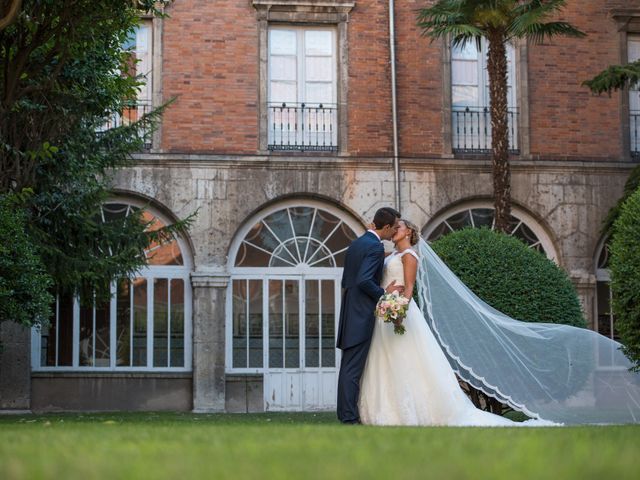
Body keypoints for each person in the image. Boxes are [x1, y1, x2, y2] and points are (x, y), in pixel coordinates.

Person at [358, 220, 640, 426]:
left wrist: (397, 305)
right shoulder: (390, 254)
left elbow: (408, 288)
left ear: (408, 232)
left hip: (401, 312)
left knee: (409, 360)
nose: (395, 228)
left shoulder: (409, 256)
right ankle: (386, 410)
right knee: (387, 360)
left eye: (400, 226)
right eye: (394, 226)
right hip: (386, 311)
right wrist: (385, 298)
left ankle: (416, 412)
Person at [336, 206, 402, 424]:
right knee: (352, 370)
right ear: (386, 227)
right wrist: (385, 293)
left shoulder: (358, 243)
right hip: (361, 314)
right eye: (394, 229)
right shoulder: (374, 247)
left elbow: (349, 280)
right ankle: (349, 418)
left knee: (348, 367)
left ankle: (346, 414)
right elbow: (365, 280)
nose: (394, 233)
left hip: (350, 311)